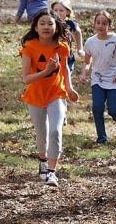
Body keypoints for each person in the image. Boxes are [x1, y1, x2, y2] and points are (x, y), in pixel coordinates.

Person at [20, 10, 80, 188]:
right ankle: (42, 159)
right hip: (35, 95)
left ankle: (51, 173)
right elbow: (25, 78)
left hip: (57, 93)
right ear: (36, 28)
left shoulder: (61, 45)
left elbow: (65, 69)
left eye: (50, 23)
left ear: (56, 26)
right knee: (42, 134)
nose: (46, 27)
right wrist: (46, 71)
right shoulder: (29, 47)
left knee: (55, 131)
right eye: (42, 23)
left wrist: (69, 88)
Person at [81, 10, 116, 144]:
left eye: (104, 23)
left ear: (109, 25)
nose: (101, 26)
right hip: (97, 79)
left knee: (113, 109)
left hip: (114, 78)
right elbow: (87, 60)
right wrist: (84, 73)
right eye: (98, 23)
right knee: (97, 108)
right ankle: (102, 138)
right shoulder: (90, 42)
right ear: (94, 24)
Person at [50, 0, 84, 74]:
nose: (58, 13)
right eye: (55, 10)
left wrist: (80, 49)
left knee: (66, 78)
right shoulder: (50, 23)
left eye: (61, 10)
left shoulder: (70, 24)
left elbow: (78, 32)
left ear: (67, 12)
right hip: (52, 56)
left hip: (67, 57)